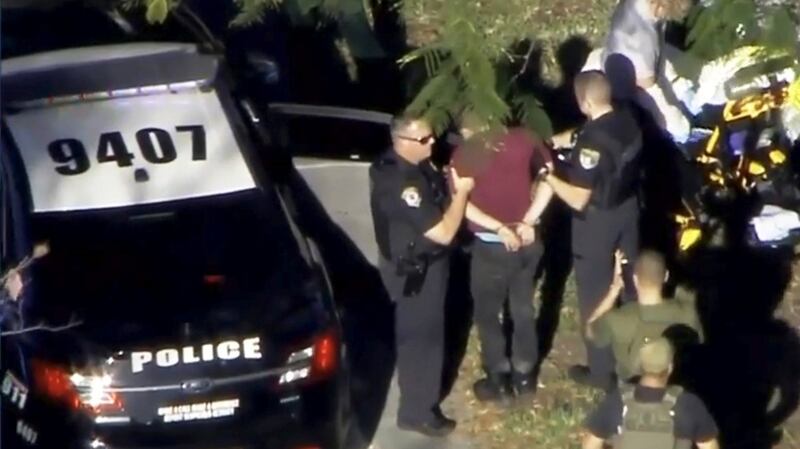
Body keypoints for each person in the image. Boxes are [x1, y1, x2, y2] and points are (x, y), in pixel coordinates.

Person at [369, 115, 475, 437]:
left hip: (419, 264)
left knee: (420, 335)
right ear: (402, 142)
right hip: (417, 271)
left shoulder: (406, 164)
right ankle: (418, 412)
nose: (432, 143)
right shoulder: (403, 184)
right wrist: (461, 194)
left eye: (432, 136)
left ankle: (418, 404)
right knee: (422, 340)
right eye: (424, 140)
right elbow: (442, 232)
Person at [539, 71, 643, 390]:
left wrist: (548, 176)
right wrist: (556, 141)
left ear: (584, 102)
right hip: (628, 209)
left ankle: (601, 371)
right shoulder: (626, 117)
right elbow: (587, 132)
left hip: (598, 222)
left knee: (594, 293)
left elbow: (578, 198)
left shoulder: (591, 145)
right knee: (630, 282)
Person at [450, 112, 553, 405]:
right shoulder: (527, 138)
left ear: (468, 130)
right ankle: (525, 376)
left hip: (491, 247)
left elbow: (463, 205)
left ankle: (499, 380)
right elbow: (549, 179)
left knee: (487, 313)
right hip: (528, 243)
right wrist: (529, 220)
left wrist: (499, 228)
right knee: (523, 308)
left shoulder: (465, 154)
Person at [581, 0, 694, 143]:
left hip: (615, 54)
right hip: (633, 87)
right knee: (679, 129)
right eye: (668, 14)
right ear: (660, 6)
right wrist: (679, 125)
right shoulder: (642, 41)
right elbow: (651, 89)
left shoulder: (638, 6)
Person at [586, 249, 704, 384]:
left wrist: (614, 290)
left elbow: (590, 329)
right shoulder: (688, 312)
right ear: (666, 276)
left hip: (633, 387)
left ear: (635, 279)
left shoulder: (618, 319)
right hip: (678, 383)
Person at [582, 337, 720, 449]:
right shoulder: (689, 405)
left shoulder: (617, 401)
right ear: (670, 367)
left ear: (641, 365)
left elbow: (590, 446)